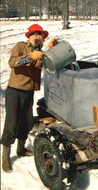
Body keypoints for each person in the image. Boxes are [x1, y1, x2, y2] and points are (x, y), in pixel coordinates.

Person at [0, 24, 57, 173]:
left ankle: (21, 149)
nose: (38, 37)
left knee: (27, 121)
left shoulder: (40, 52)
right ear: (29, 36)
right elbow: (12, 62)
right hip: (15, 90)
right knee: (12, 122)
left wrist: (51, 51)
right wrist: (29, 56)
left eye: (41, 35)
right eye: (35, 34)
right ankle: (5, 156)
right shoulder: (20, 46)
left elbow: (48, 64)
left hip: (29, 91)